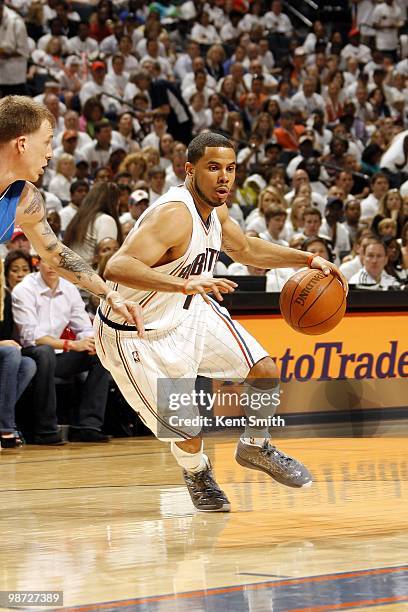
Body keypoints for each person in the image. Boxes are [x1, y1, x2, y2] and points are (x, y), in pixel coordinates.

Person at [94, 132, 347, 513]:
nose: (224, 177)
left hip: (186, 312)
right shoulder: (175, 215)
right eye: (214, 168)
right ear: (190, 170)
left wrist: (307, 260)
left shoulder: (216, 211)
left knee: (264, 370)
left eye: (230, 168)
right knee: (189, 433)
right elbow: (117, 266)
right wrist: (183, 282)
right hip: (136, 334)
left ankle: (255, 446)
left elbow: (245, 249)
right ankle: (197, 473)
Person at [0, 96, 143, 330]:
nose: (50, 154)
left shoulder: (26, 199)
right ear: (22, 143)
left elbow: (55, 254)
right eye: (46, 142)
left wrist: (108, 294)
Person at [12, 258, 111, 444]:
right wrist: (71, 345)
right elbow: (31, 337)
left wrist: (91, 341)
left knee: (101, 352)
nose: (52, 266)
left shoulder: (69, 289)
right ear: (37, 263)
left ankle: (87, 425)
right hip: (29, 355)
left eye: (57, 262)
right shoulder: (24, 290)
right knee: (44, 352)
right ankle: (45, 430)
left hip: (59, 357)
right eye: (46, 261)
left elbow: (83, 327)